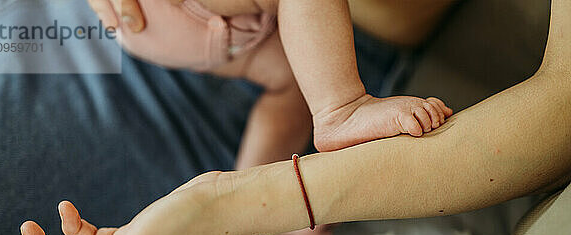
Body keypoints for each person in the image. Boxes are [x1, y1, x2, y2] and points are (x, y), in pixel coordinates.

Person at [0, 0, 570, 235]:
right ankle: (334, 110)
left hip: (236, 36)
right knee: (285, 80)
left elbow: (561, 107)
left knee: (285, 82)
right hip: (173, 23)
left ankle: (310, 132)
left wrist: (238, 206)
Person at [109, 0, 452, 171]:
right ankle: (341, 108)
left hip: (159, 27)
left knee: (295, 80)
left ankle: (254, 187)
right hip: (163, 12)